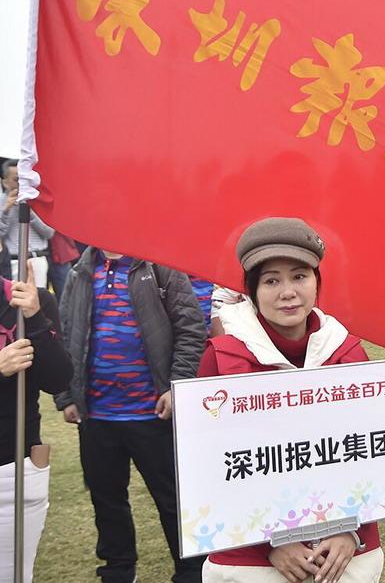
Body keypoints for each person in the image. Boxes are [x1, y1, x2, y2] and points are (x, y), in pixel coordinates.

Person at [200, 218, 383, 583]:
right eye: (271, 281)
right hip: (250, 554)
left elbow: (373, 454)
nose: (288, 292)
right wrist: (269, 540)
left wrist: (350, 530)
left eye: (299, 276)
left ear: (317, 282)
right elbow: (206, 464)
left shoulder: (347, 353)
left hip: (341, 548)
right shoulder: (222, 358)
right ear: (252, 290)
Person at [56, 247, 207, 582]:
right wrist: (66, 395)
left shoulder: (160, 266)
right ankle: (118, 570)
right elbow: (66, 333)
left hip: (153, 413)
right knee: (106, 499)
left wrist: (176, 385)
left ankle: (191, 571)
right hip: (96, 415)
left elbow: (191, 327)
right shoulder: (81, 271)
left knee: (173, 499)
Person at [0, 261, 72, 583]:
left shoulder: (30, 300)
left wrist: (35, 318)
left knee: (14, 574)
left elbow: (58, 380)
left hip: (16, 468)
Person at [0, 160, 54, 288]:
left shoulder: (38, 200)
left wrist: (29, 212)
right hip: (11, 261)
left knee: (37, 297)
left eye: (24, 180)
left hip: (36, 259)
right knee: (12, 297)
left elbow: (49, 233)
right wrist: (6, 210)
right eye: (16, 179)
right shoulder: (1, 202)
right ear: (5, 182)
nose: (21, 184)